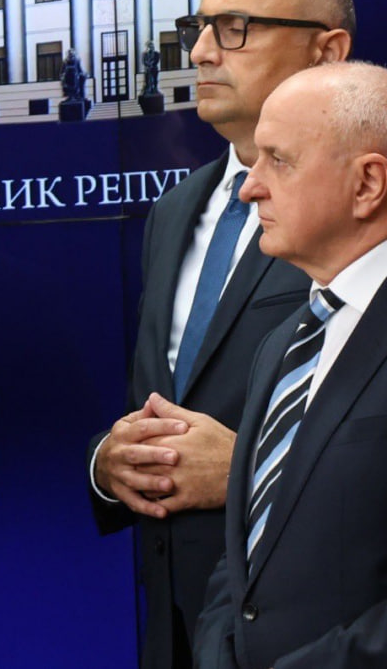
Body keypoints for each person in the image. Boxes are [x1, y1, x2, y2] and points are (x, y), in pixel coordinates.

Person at [86, 0, 354, 668]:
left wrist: (246, 467)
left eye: (236, 27)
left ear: (327, 50)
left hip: (316, 632)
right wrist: (111, 463)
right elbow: (163, 404)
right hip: (175, 624)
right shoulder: (176, 209)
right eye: (198, 27)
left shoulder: (364, 207)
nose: (201, 51)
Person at [195, 62, 387, 668]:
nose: (249, 188)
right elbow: (247, 552)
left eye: (278, 160)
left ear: (368, 184)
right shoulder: (284, 344)